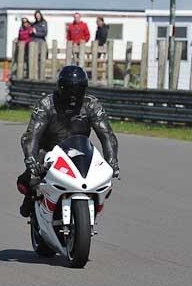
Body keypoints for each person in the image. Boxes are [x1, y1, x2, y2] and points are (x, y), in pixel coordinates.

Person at [17, 65, 119, 218]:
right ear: (60, 87)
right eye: (69, 89)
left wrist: (112, 160)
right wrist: (30, 158)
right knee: (30, 179)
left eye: (78, 90)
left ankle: (89, 209)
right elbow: (32, 135)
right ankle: (31, 200)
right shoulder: (46, 104)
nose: (73, 95)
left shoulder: (92, 104)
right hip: (49, 151)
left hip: (80, 151)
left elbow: (107, 134)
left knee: (102, 178)